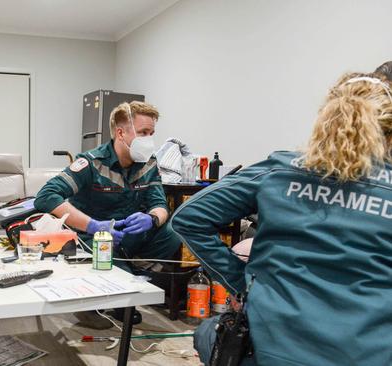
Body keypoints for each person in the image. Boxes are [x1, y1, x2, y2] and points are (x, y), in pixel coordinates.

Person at [171, 72, 392, 365]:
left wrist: (240, 284)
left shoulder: (280, 168)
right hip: (368, 352)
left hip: (270, 348)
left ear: (325, 120)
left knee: (208, 332)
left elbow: (189, 217)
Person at [34, 101, 181, 324]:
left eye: (151, 133)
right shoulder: (91, 162)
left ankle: (127, 279)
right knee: (111, 283)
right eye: (143, 132)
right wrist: (94, 225)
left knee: (174, 231)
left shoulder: (149, 164)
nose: (149, 140)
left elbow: (161, 206)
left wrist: (152, 218)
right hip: (92, 240)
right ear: (120, 132)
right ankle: (98, 299)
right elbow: (46, 197)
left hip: (126, 238)